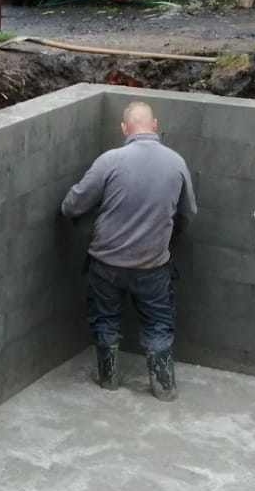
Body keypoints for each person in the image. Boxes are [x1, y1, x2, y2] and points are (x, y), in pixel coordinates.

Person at [60, 100, 198, 401]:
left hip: (106, 264)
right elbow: (187, 214)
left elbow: (72, 205)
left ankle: (108, 380)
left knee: (105, 320)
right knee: (159, 324)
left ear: (124, 129)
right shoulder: (176, 163)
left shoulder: (110, 161)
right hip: (153, 265)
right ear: (154, 125)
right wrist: (168, 240)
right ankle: (163, 388)